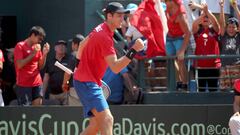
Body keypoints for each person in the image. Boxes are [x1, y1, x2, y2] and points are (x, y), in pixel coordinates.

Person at [73, 2, 144, 135]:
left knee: (95, 126)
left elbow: (82, 44)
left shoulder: (100, 28)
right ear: (109, 16)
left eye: (123, 16)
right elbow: (116, 67)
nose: (122, 19)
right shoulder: (104, 37)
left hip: (86, 80)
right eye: (119, 15)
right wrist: (133, 50)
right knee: (107, 119)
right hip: (87, 82)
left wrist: (77, 67)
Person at [13, 26, 50, 106]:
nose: (40, 41)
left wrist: (44, 54)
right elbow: (19, 65)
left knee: (37, 110)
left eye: (41, 40)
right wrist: (33, 53)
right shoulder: (20, 46)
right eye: (39, 39)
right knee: (26, 111)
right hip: (23, 84)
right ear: (33, 35)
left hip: (37, 82)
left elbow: (40, 67)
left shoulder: (37, 48)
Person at [192, 4, 221, 92]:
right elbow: (194, 25)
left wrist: (207, 11)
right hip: (200, 67)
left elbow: (216, 23)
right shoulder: (198, 30)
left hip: (214, 66)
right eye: (203, 17)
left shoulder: (214, 30)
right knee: (201, 91)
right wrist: (203, 13)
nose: (205, 18)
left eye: (207, 17)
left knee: (213, 91)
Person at [165, 0, 191, 90]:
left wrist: (182, 50)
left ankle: (185, 85)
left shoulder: (181, 15)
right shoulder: (166, 8)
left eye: (167, 1)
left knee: (181, 60)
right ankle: (178, 82)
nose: (165, 2)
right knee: (171, 60)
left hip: (180, 37)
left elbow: (188, 33)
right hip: (169, 37)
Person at [219, 0, 240, 90]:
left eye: (233, 27)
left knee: (236, 90)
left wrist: (235, 7)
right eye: (229, 27)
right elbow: (222, 23)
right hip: (224, 66)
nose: (231, 29)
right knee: (224, 89)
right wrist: (222, 7)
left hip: (235, 65)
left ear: (237, 28)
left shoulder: (238, 36)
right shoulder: (224, 35)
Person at [42, 40, 69, 105]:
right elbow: (46, 79)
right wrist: (42, 94)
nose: (61, 47)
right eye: (59, 45)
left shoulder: (69, 60)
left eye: (63, 46)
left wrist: (68, 90)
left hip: (66, 94)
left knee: (67, 113)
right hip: (53, 95)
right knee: (54, 113)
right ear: (55, 48)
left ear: (66, 49)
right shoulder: (50, 62)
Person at [62, 34, 84, 106]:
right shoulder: (88, 54)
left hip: (75, 88)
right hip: (88, 88)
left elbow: (68, 73)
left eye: (72, 43)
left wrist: (65, 84)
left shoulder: (73, 55)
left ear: (75, 44)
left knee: (75, 113)